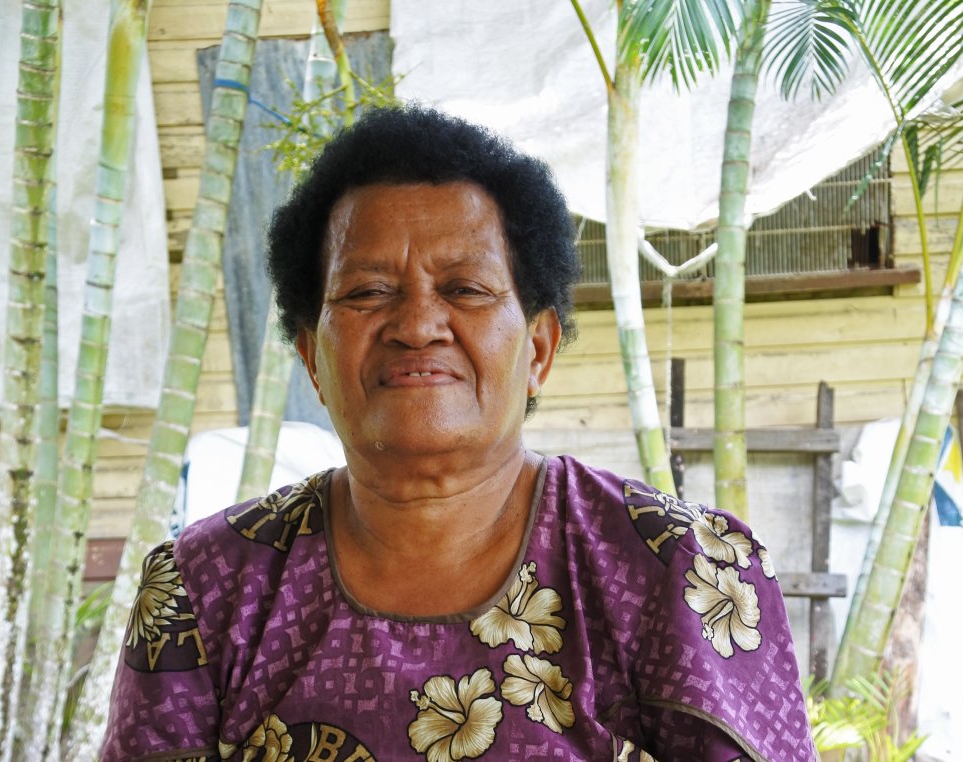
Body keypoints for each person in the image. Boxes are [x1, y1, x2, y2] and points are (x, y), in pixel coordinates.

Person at [100, 106, 818, 761]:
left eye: (465, 289)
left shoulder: (682, 572)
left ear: (537, 348)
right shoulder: (208, 590)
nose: (416, 325)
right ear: (311, 357)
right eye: (366, 292)